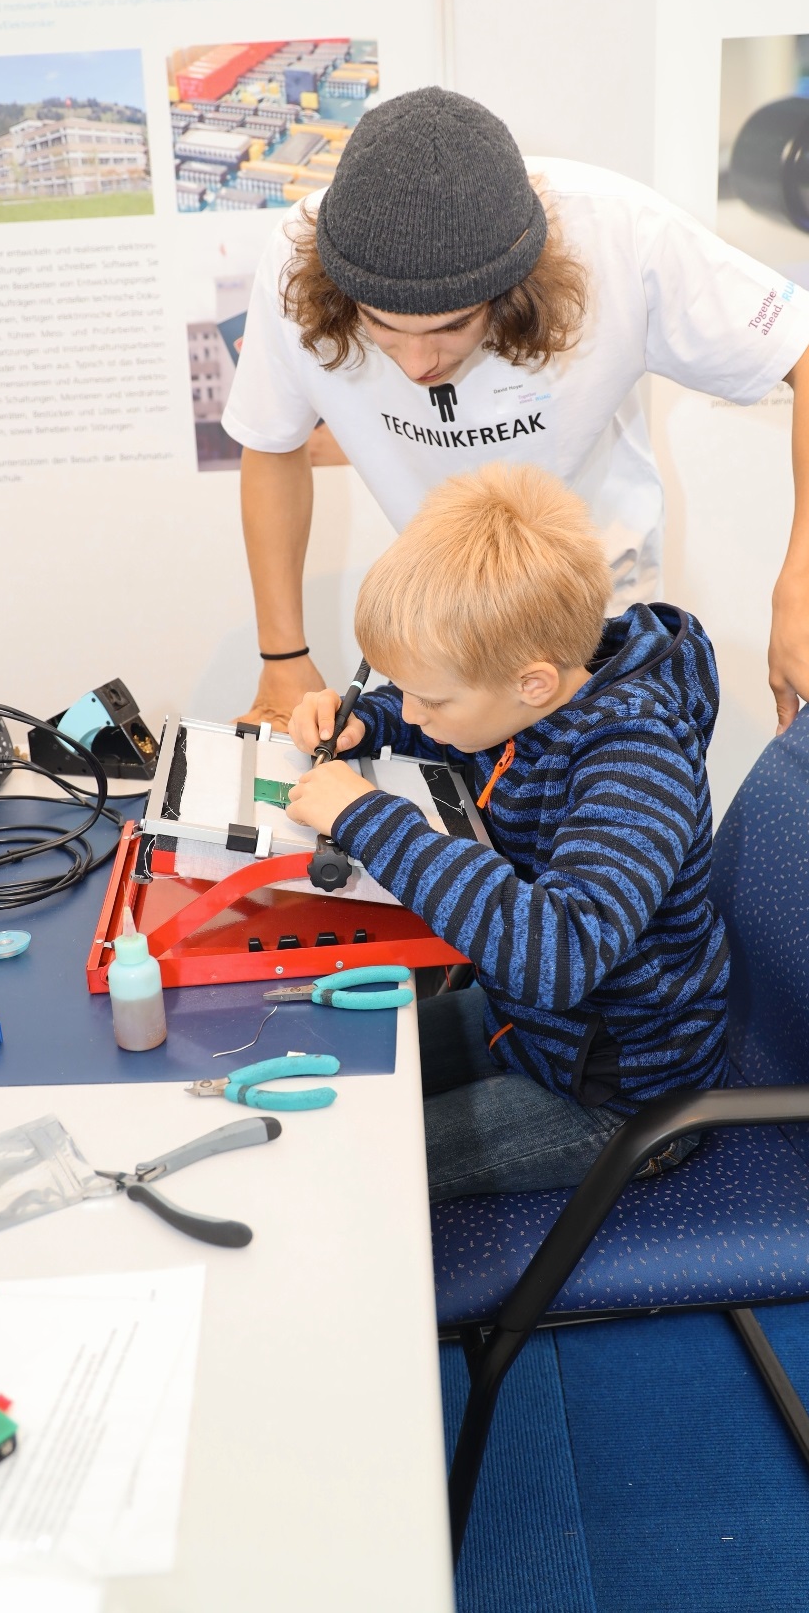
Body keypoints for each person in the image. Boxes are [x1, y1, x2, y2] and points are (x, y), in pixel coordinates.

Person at [223, 86, 809, 736]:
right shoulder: (298, 252)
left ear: (518, 285)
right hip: (446, 625)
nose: (415, 364)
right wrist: (282, 659)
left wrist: (806, 603)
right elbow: (272, 441)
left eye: (451, 329)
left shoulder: (618, 236)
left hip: (597, 625)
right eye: (384, 327)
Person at [284, 465, 728, 1200]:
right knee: (332, 1067)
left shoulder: (636, 759)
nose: (418, 713)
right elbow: (464, 720)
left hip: (618, 1097)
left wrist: (365, 818)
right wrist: (374, 720)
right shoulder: (531, 692)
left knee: (344, 1164)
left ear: (533, 684)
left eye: (429, 697)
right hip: (527, 1029)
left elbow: (559, 955)